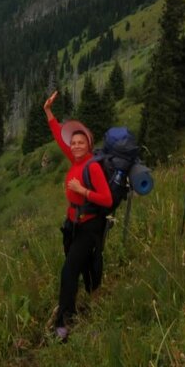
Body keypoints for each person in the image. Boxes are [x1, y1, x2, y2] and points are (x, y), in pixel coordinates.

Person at [43, 90, 113, 341]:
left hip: (90, 226)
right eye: (73, 143)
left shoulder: (92, 166)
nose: (75, 145)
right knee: (83, 266)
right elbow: (58, 136)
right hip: (72, 225)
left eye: (80, 143)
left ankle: (63, 322)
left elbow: (107, 199)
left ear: (89, 146)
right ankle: (96, 296)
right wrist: (48, 112)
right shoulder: (74, 159)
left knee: (68, 270)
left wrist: (81, 190)